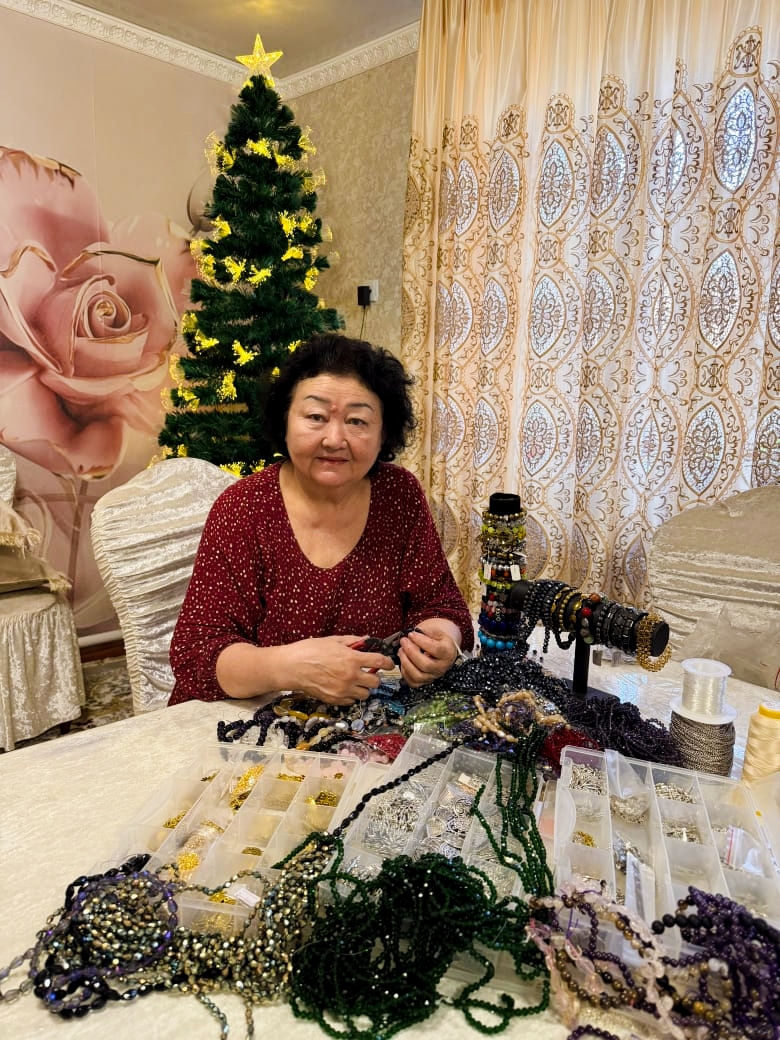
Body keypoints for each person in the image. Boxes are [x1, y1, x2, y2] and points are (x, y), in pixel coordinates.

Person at [168, 332, 474, 706]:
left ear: (384, 433)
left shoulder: (398, 494)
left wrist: (440, 641)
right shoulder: (243, 508)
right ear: (284, 420)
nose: (334, 439)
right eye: (316, 417)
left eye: (357, 421)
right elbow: (197, 654)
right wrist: (292, 668)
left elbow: (440, 604)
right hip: (254, 720)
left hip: (371, 718)